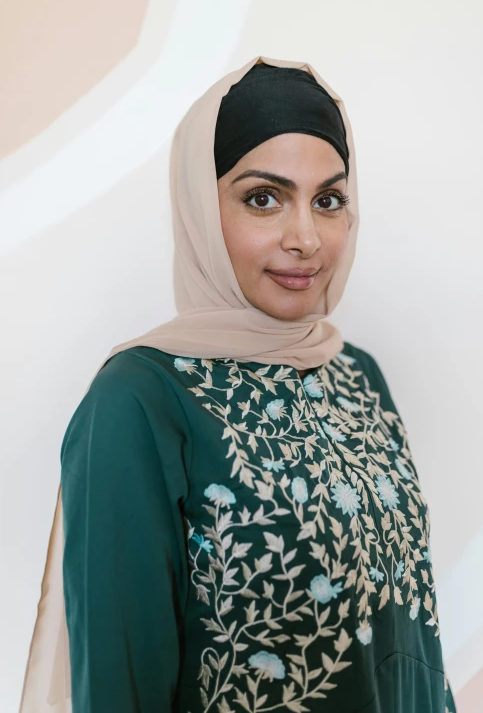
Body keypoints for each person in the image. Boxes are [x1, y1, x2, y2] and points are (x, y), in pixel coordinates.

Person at [19, 56, 457, 713]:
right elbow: (119, 685)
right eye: (263, 197)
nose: (306, 237)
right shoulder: (139, 400)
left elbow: (413, 649)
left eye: (329, 200)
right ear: (201, 206)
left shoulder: (357, 376)